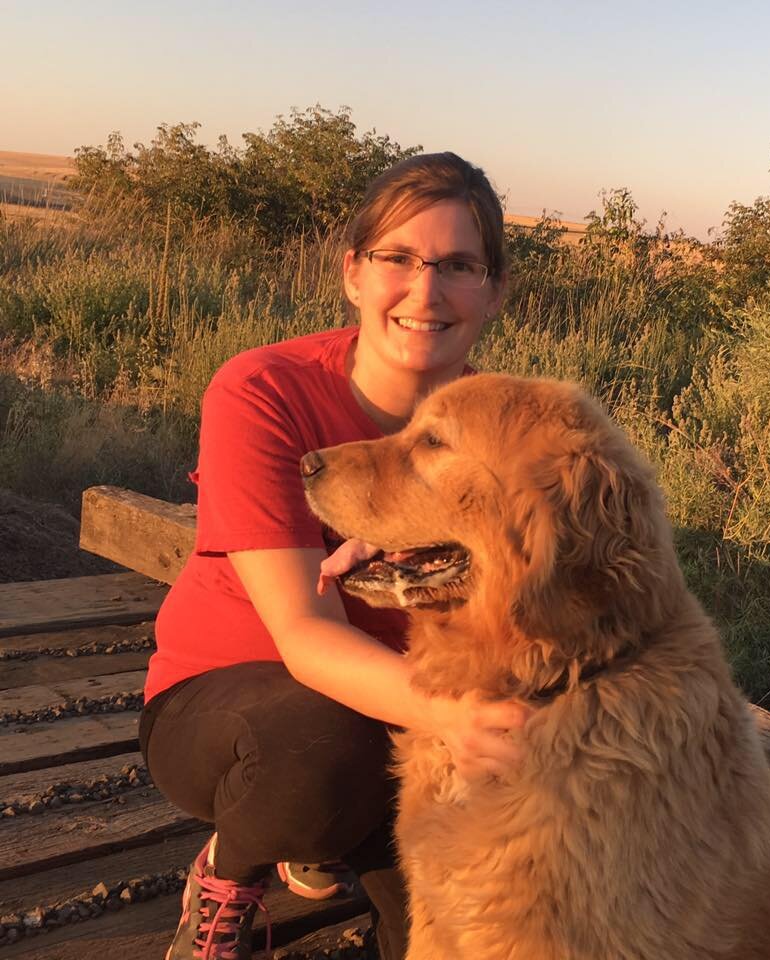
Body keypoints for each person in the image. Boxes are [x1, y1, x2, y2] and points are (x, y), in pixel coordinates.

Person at [139, 152, 530, 960]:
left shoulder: (497, 433)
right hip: (240, 712)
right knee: (325, 753)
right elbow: (303, 635)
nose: (426, 292)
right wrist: (460, 722)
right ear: (354, 273)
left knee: (456, 930)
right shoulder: (262, 391)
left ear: (493, 290)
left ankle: (328, 838)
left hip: (406, 718)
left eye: (459, 265)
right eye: (399, 259)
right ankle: (231, 865)